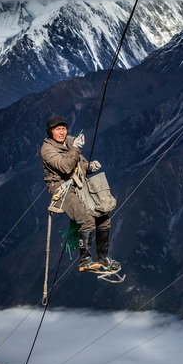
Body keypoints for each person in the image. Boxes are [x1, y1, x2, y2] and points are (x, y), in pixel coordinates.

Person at [40, 115, 117, 272]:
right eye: (58, 129)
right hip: (63, 189)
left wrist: (89, 167)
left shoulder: (69, 142)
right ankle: (85, 260)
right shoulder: (47, 150)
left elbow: (77, 164)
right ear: (50, 132)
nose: (62, 132)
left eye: (64, 128)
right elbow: (65, 167)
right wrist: (75, 148)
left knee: (103, 218)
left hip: (78, 186)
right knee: (87, 220)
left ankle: (103, 258)